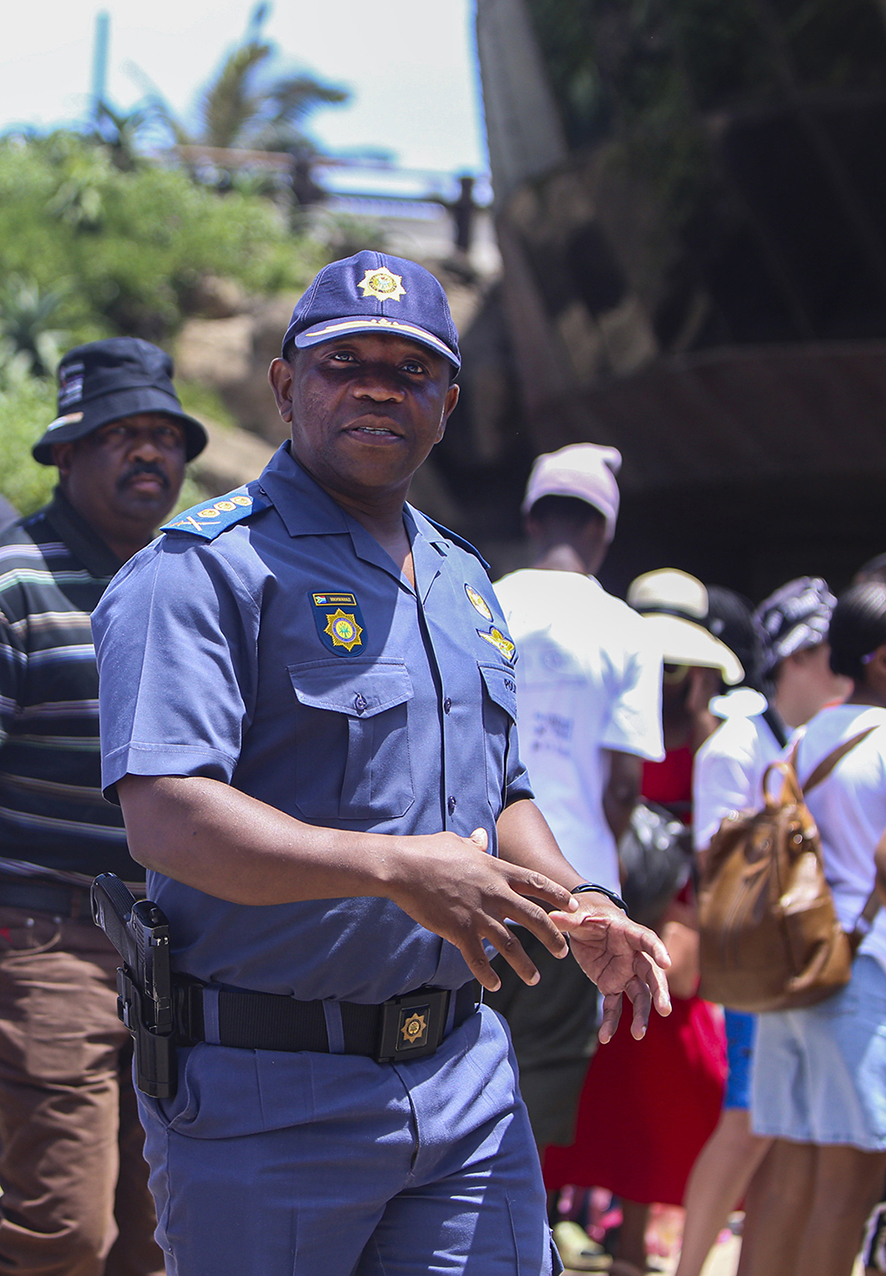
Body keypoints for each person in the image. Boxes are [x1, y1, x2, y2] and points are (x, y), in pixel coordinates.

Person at [90, 251, 672, 1276]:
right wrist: (394, 867)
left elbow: (505, 787)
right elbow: (167, 815)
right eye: (342, 363)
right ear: (285, 386)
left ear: (448, 404)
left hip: (463, 1079)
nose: (377, 388)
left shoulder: (465, 578)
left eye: (410, 370)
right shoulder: (202, 570)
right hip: (266, 1092)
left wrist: (580, 896)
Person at [0, 337, 207, 1276]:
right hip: (45, 947)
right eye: (124, 434)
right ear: (65, 452)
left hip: (176, 957)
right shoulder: (17, 582)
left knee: (158, 1237)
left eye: (166, 436)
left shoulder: (191, 585)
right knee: (63, 1232)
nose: (152, 453)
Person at [485, 445, 664, 1271]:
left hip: (478, 877)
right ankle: (512, 1242)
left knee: (451, 1057)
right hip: (576, 894)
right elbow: (624, 785)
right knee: (539, 1081)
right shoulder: (626, 628)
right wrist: (604, 887)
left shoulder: (482, 598)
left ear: (533, 519)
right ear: (603, 531)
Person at [544, 570, 738, 1276]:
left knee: (662, 1081)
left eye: (678, 663)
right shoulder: (614, 715)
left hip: (670, 924)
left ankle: (631, 1245)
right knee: (581, 1075)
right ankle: (548, 1229)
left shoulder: (714, 742)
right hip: (601, 909)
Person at [675, 577, 848, 1276]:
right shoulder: (737, 744)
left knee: (787, 1130)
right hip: (758, 961)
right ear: (797, 657)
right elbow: (716, 861)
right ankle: (688, 1268)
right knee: (748, 1124)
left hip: (811, 956)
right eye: (831, 648)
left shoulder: (819, 738)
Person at [736, 582, 886, 1276]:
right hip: (860, 970)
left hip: (794, 971)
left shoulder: (803, 739)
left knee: (789, 1178)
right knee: (849, 1188)